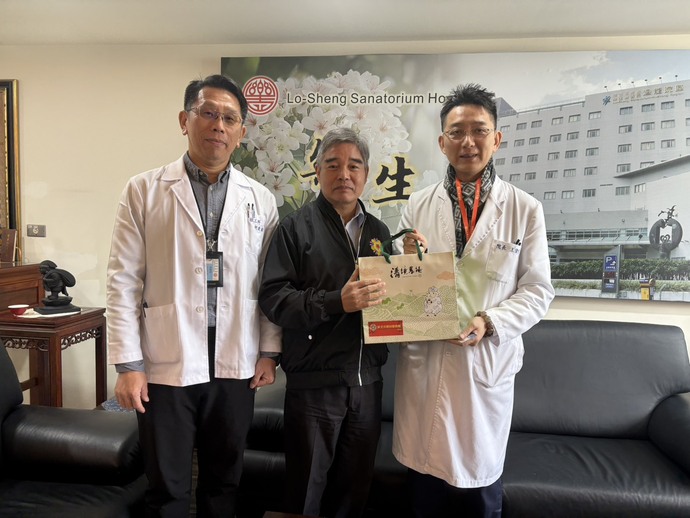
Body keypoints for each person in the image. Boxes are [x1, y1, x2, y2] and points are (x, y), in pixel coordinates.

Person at [106, 74, 281, 517]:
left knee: (224, 481)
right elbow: (123, 279)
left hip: (236, 360)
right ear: (185, 121)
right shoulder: (143, 190)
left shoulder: (261, 200)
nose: (218, 125)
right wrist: (128, 365)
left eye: (230, 118)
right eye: (208, 113)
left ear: (241, 132)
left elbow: (269, 284)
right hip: (166, 358)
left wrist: (268, 352)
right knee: (166, 484)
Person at [393, 84, 555, 517]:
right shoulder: (416, 206)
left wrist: (490, 321)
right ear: (442, 142)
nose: (468, 141)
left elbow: (538, 290)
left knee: (480, 493)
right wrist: (406, 261)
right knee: (424, 493)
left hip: (484, 368)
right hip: (427, 363)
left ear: (496, 138)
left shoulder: (525, 209)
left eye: (479, 130)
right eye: (457, 132)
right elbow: (403, 286)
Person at [258, 127, 391, 518]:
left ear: (366, 174)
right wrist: (337, 301)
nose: (343, 174)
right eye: (333, 165)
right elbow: (274, 298)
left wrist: (416, 266)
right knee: (306, 493)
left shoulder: (379, 232)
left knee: (354, 491)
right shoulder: (294, 228)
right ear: (317, 172)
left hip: (367, 384)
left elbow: (392, 300)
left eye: (354, 166)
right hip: (315, 386)